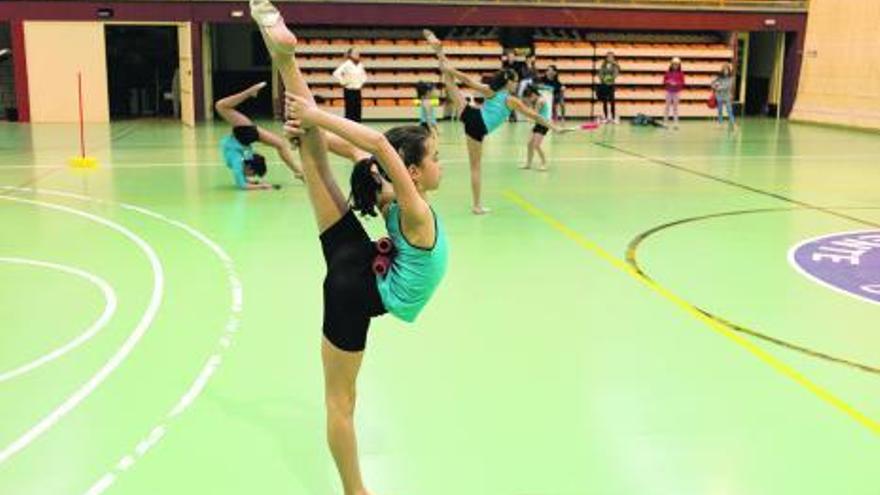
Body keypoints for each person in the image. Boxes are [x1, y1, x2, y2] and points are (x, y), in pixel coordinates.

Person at [250, 3, 449, 495]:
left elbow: (356, 152)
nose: (443, 167)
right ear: (415, 173)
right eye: (437, 159)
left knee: (314, 153)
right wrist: (316, 117)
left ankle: (284, 56)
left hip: (360, 267)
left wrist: (310, 126)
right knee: (341, 403)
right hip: (358, 290)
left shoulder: (389, 193)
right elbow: (378, 146)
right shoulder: (415, 210)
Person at [423, 29, 568, 214]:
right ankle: (477, 206)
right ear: (509, 82)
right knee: (475, 168)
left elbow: (467, 80)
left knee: (449, 80)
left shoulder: (492, 91)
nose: (516, 84)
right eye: (515, 81)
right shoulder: (511, 100)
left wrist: (451, 70)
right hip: (477, 126)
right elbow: (536, 116)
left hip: (470, 115)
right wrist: (554, 126)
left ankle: (439, 51)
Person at [214, 81, 303, 190]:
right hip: (244, 135)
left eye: (251, 175)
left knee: (220, 106)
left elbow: (242, 185)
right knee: (280, 144)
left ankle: (250, 92)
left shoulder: (238, 161)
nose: (249, 176)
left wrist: (260, 186)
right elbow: (244, 183)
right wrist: (262, 185)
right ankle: (298, 172)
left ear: (250, 168)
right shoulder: (244, 159)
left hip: (244, 135)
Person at [521, 84, 552, 171]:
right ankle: (528, 164)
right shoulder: (536, 99)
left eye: (529, 98)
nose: (529, 100)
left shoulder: (540, 101)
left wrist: (528, 115)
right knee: (529, 144)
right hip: (538, 123)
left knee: (536, 145)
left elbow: (534, 114)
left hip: (543, 124)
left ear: (534, 95)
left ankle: (544, 163)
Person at [333, 47, 367, 122]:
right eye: (355, 53)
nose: (357, 54)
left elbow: (364, 75)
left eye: (358, 53)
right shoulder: (346, 64)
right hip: (349, 90)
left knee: (358, 110)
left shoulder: (360, 64)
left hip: (357, 90)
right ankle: (349, 127)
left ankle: (358, 126)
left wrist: (361, 83)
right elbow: (336, 73)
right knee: (350, 110)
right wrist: (343, 82)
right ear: (350, 55)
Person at [597, 52, 620, 124]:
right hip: (604, 85)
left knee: (612, 101)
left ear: (613, 58)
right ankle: (606, 117)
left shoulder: (615, 66)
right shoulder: (603, 65)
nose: (609, 58)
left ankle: (613, 117)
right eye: (608, 57)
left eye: (611, 57)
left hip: (611, 85)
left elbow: (615, 74)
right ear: (606, 58)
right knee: (604, 101)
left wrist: (610, 78)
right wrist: (603, 79)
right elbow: (600, 74)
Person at [663, 57, 685, 130]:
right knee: (667, 107)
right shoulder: (667, 72)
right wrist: (669, 82)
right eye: (674, 64)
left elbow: (682, 82)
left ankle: (676, 124)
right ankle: (665, 123)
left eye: (677, 64)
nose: (675, 66)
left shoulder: (681, 73)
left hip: (677, 92)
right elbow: (664, 81)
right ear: (671, 64)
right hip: (668, 91)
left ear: (679, 65)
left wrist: (676, 83)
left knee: (675, 108)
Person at [712, 62, 735, 129]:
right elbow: (712, 84)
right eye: (724, 70)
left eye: (727, 70)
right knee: (720, 110)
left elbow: (727, 86)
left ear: (729, 70)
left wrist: (719, 87)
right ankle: (720, 124)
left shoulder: (731, 78)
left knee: (729, 110)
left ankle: (733, 124)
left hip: (727, 96)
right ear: (722, 71)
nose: (726, 72)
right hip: (719, 96)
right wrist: (714, 86)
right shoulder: (719, 77)